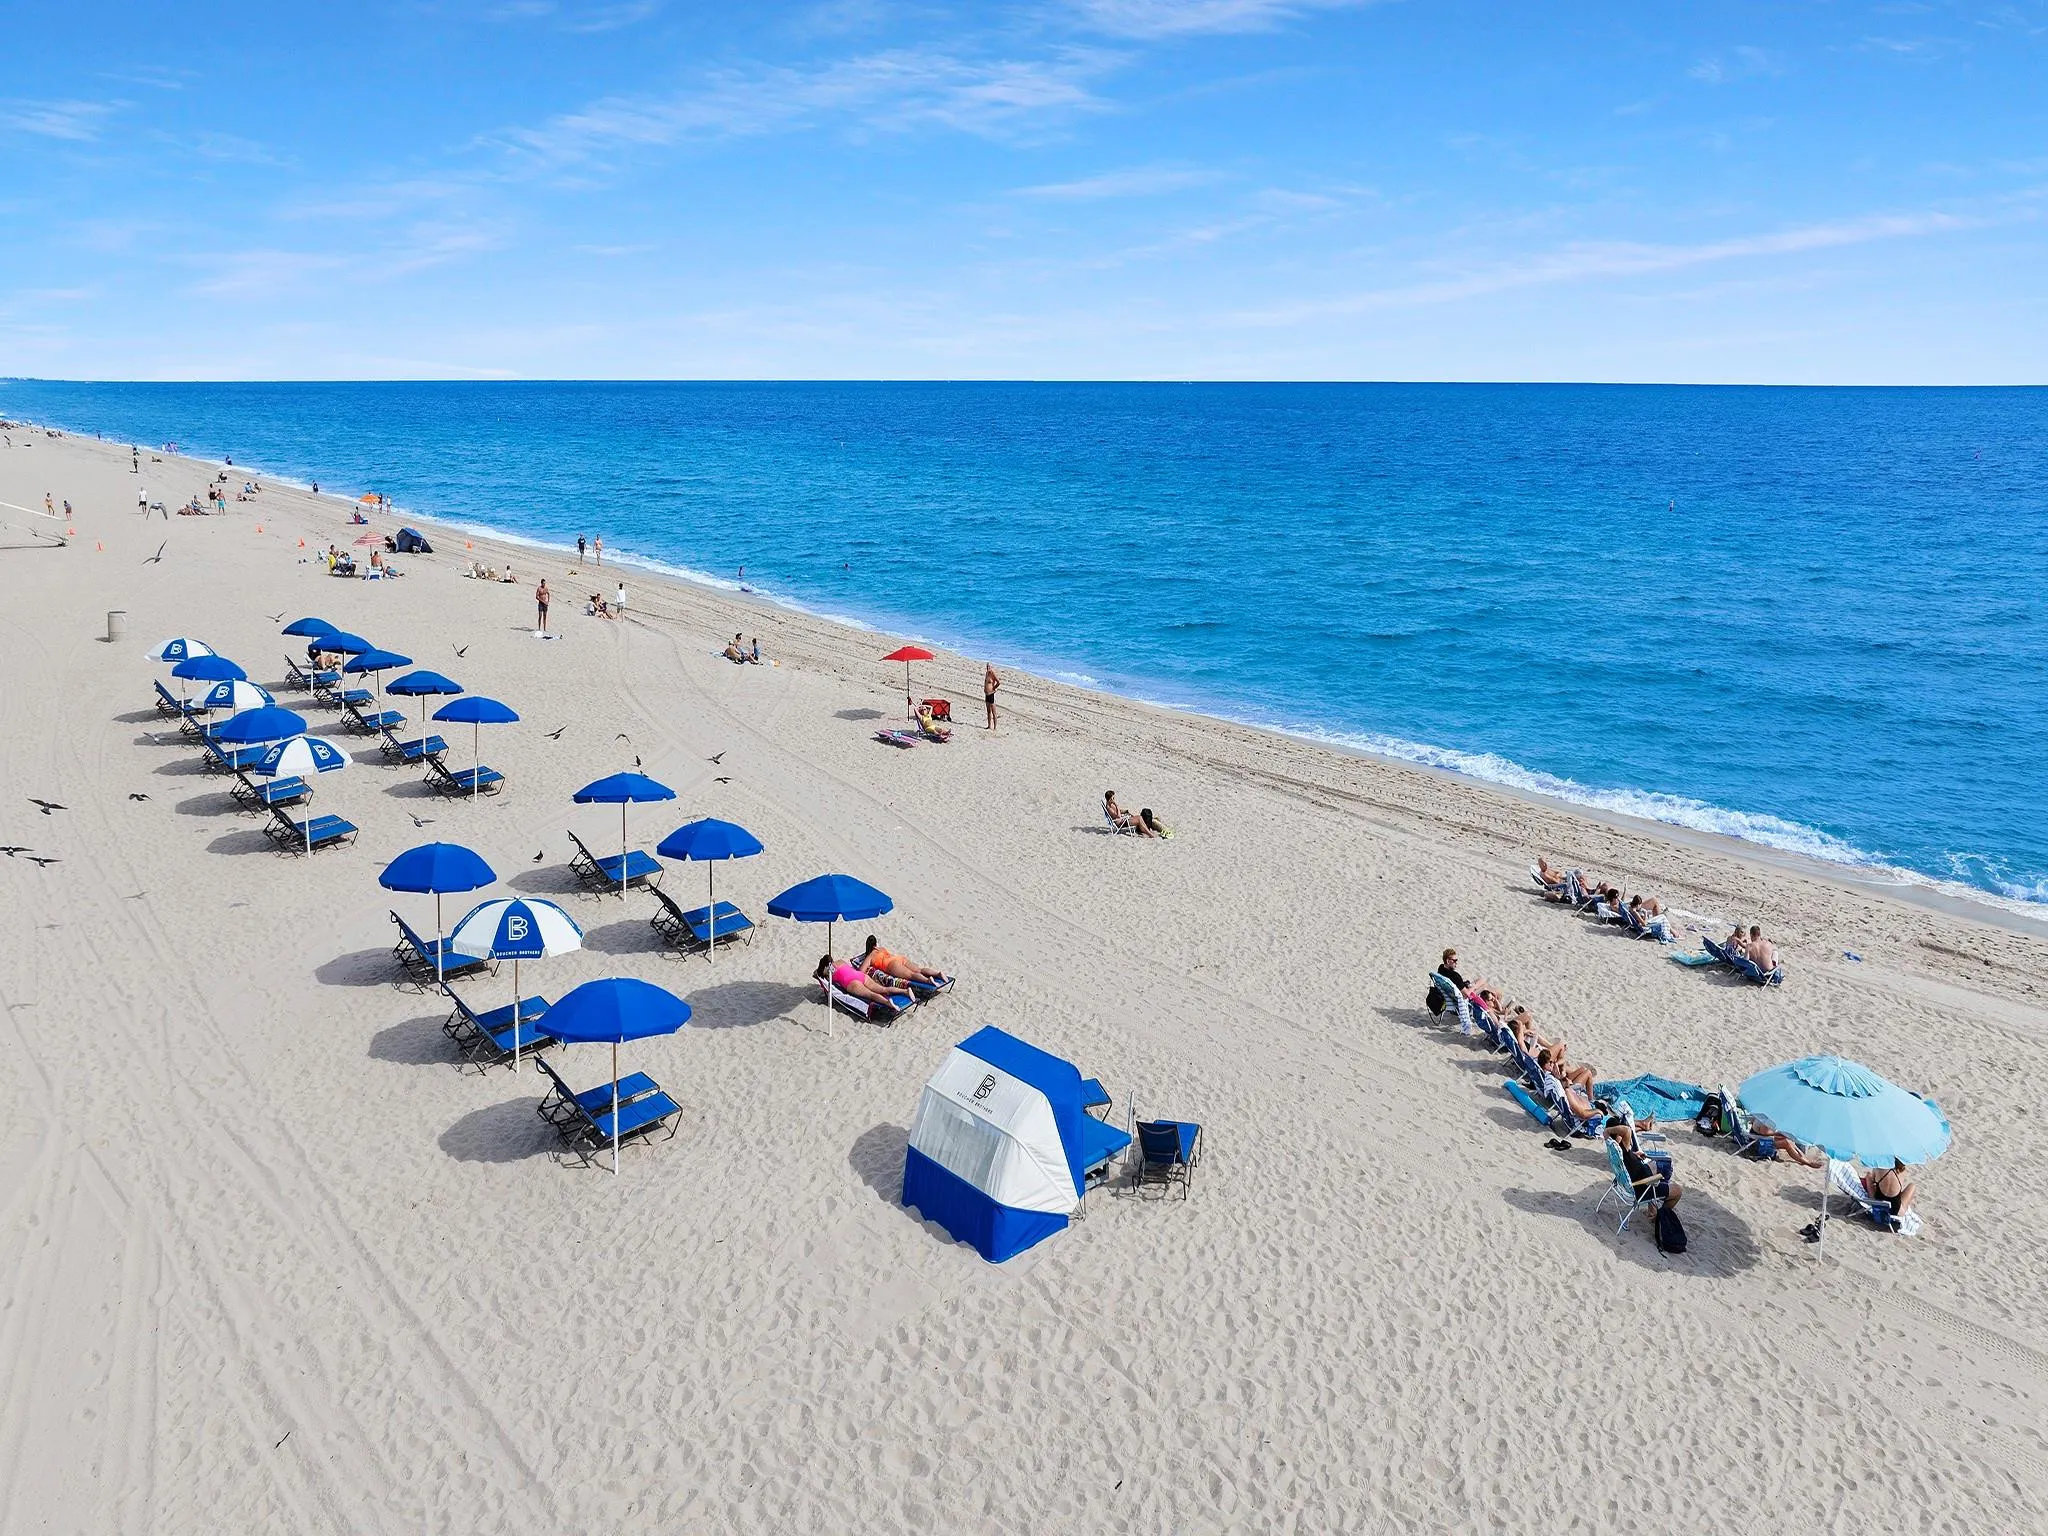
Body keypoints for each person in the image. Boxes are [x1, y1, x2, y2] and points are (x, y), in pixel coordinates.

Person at [815, 953, 911, 1007]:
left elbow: (818, 974)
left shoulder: (829, 973)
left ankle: (887, 1003)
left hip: (851, 982)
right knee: (883, 989)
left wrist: (823, 971)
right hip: (860, 975)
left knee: (871, 994)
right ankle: (905, 991)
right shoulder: (840, 961)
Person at [860, 936, 946, 985]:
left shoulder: (870, 957)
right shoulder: (881, 948)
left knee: (911, 975)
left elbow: (861, 971)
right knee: (919, 969)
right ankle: (937, 973)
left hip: (891, 965)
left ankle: (927, 981)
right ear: (875, 943)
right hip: (898, 958)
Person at [983, 661, 1000, 729]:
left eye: (989, 666)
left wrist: (994, 688)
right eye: (987, 666)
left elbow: (998, 682)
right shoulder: (987, 673)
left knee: (993, 711)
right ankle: (989, 725)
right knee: (988, 711)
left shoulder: (992, 673)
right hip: (986, 694)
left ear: (991, 667)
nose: (988, 668)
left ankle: (995, 727)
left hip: (991, 694)